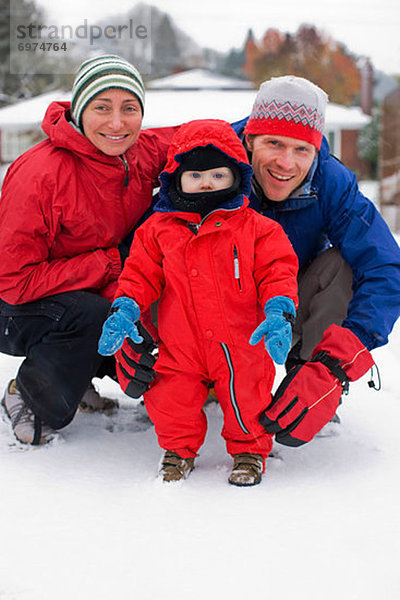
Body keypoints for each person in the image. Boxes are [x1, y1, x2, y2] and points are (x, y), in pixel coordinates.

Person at [119, 76, 400, 449]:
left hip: (279, 308)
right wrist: (133, 322)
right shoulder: (207, 164)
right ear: (249, 139)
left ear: (316, 151)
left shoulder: (332, 183)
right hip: (197, 314)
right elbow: (146, 249)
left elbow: (384, 268)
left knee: (343, 267)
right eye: (274, 143)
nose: (286, 163)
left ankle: (308, 378)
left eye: (302, 149)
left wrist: (339, 365)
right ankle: (192, 380)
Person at [98, 118, 299, 486]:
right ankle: (178, 450)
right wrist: (125, 305)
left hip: (241, 343)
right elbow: (140, 274)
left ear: (236, 177)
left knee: (247, 397)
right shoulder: (157, 231)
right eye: (195, 176)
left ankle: (249, 451)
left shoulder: (258, 228)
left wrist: (278, 308)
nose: (206, 182)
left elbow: (278, 271)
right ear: (175, 181)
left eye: (217, 175)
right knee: (170, 398)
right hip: (180, 342)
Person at [0, 54, 177, 446]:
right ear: (80, 112)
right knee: (93, 313)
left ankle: (77, 378)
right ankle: (28, 397)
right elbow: (13, 282)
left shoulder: (138, 152)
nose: (117, 123)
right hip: (13, 302)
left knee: (134, 302)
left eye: (129, 108)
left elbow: (204, 138)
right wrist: (109, 264)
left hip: (79, 285)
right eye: (102, 108)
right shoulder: (40, 175)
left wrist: (282, 138)